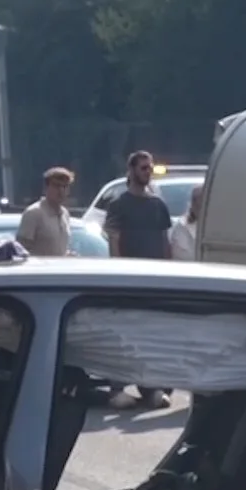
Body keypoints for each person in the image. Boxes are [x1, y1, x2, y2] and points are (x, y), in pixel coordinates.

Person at [103, 151, 174, 409]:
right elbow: (114, 239)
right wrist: (120, 273)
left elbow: (164, 241)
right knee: (125, 334)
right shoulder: (119, 204)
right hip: (128, 280)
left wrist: (168, 273)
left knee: (151, 336)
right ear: (131, 170)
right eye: (143, 168)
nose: (147, 172)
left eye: (150, 168)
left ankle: (152, 388)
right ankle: (117, 389)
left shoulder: (158, 205)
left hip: (154, 281)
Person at [15, 167, 75, 256]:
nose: (61, 191)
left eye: (65, 186)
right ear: (46, 188)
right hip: (39, 269)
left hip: (61, 269)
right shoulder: (34, 213)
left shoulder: (65, 214)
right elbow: (20, 250)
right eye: (56, 186)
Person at [169, 185, 202, 261]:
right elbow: (183, 256)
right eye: (196, 200)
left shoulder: (215, 225)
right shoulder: (182, 227)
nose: (199, 204)